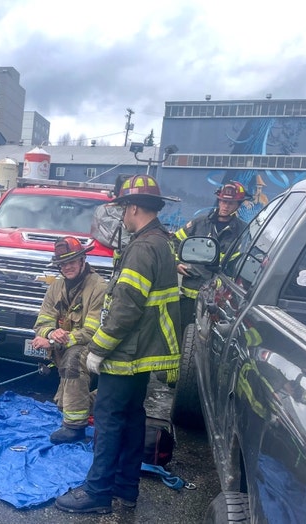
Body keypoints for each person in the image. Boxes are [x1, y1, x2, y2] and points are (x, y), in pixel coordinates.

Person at [55, 174, 181, 515]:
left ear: (135, 207)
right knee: (131, 420)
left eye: (124, 208)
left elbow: (124, 308)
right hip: (142, 355)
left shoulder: (141, 248)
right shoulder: (161, 241)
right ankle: (126, 490)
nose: (122, 215)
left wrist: (97, 350)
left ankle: (97, 492)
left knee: (109, 422)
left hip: (126, 354)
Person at [31, 236, 107, 444]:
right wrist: (50, 333)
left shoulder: (98, 286)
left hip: (92, 348)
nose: (67, 267)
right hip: (64, 347)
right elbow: (41, 323)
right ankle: (107, 399)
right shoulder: (56, 287)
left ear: (83, 260)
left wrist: (56, 342)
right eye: (62, 263)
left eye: (72, 261)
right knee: (65, 405)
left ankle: (75, 428)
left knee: (74, 359)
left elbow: (92, 331)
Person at [172, 181, 249, 328]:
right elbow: (174, 241)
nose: (226, 206)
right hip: (190, 293)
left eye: (231, 203)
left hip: (219, 298)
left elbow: (240, 264)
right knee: (184, 334)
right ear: (219, 201)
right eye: (224, 201)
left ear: (238, 205)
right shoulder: (200, 223)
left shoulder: (243, 231)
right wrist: (176, 263)